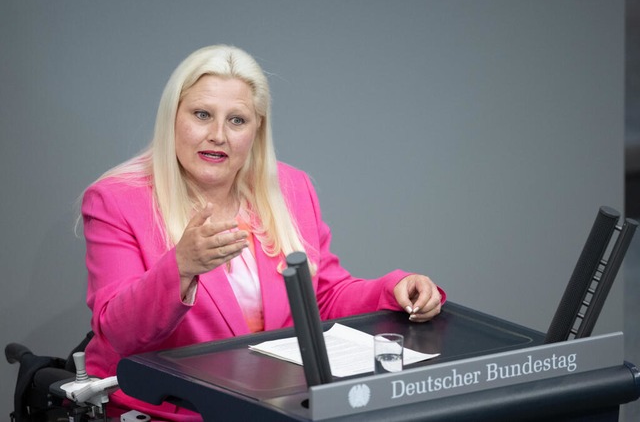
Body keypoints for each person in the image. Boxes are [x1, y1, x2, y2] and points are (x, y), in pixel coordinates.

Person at [80, 44, 445, 420]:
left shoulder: (291, 188)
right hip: (171, 411)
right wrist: (182, 266)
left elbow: (321, 297)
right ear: (173, 117)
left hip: (273, 405)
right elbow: (118, 333)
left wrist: (395, 290)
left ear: (257, 129)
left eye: (237, 120)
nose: (218, 135)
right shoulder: (117, 200)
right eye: (202, 115)